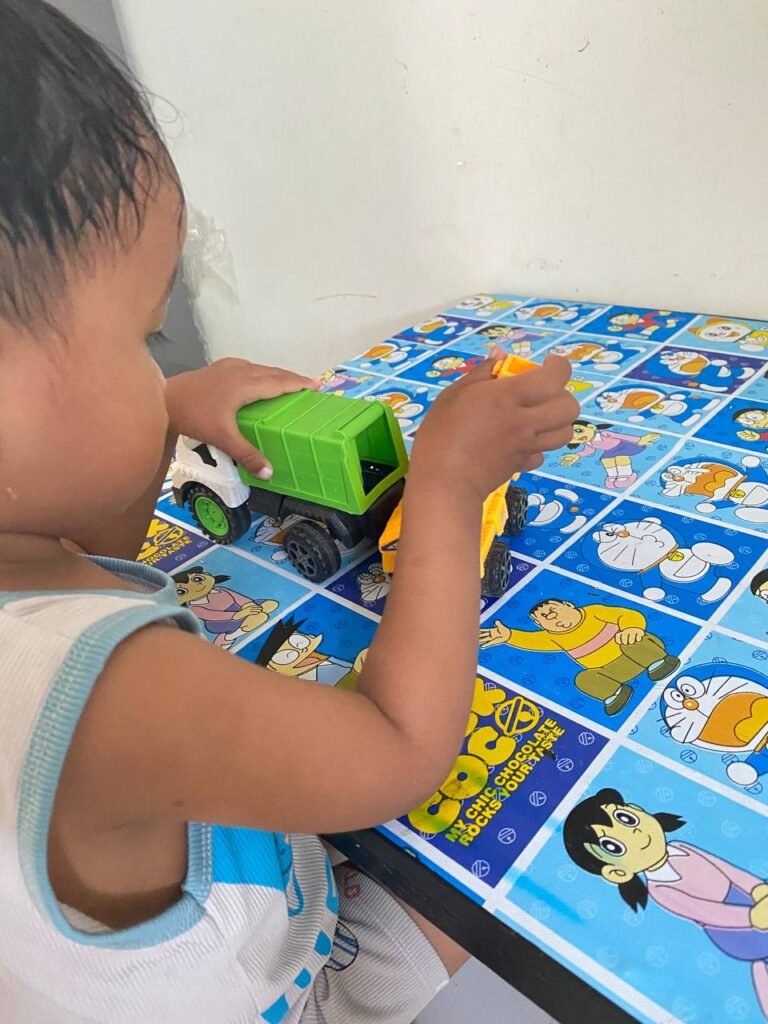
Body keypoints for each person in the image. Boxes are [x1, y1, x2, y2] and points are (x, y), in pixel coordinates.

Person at [0, 4, 579, 1022]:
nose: (163, 365)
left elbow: (86, 549)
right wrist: (446, 490)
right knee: (523, 852)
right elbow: (397, 749)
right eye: (145, 337)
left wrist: (168, 411)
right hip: (286, 995)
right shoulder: (104, 695)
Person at [564, 788, 768, 1019]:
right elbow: (706, 912)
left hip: (746, 897)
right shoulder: (660, 889)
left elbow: (727, 869)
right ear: (616, 872)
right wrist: (751, 917)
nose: (635, 833)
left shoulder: (680, 847)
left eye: (627, 819)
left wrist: (756, 887)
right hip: (731, 930)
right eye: (613, 846)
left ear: (637, 810)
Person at [479, 598, 679, 715]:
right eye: (544, 619)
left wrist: (631, 628)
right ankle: (616, 693)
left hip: (636, 650)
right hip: (613, 671)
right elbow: (531, 640)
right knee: (583, 678)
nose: (554, 619)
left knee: (630, 642)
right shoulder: (552, 637)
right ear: (540, 625)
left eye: (554, 611)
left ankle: (659, 662)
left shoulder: (593, 612)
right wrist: (509, 636)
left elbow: (626, 615)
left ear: (568, 605)